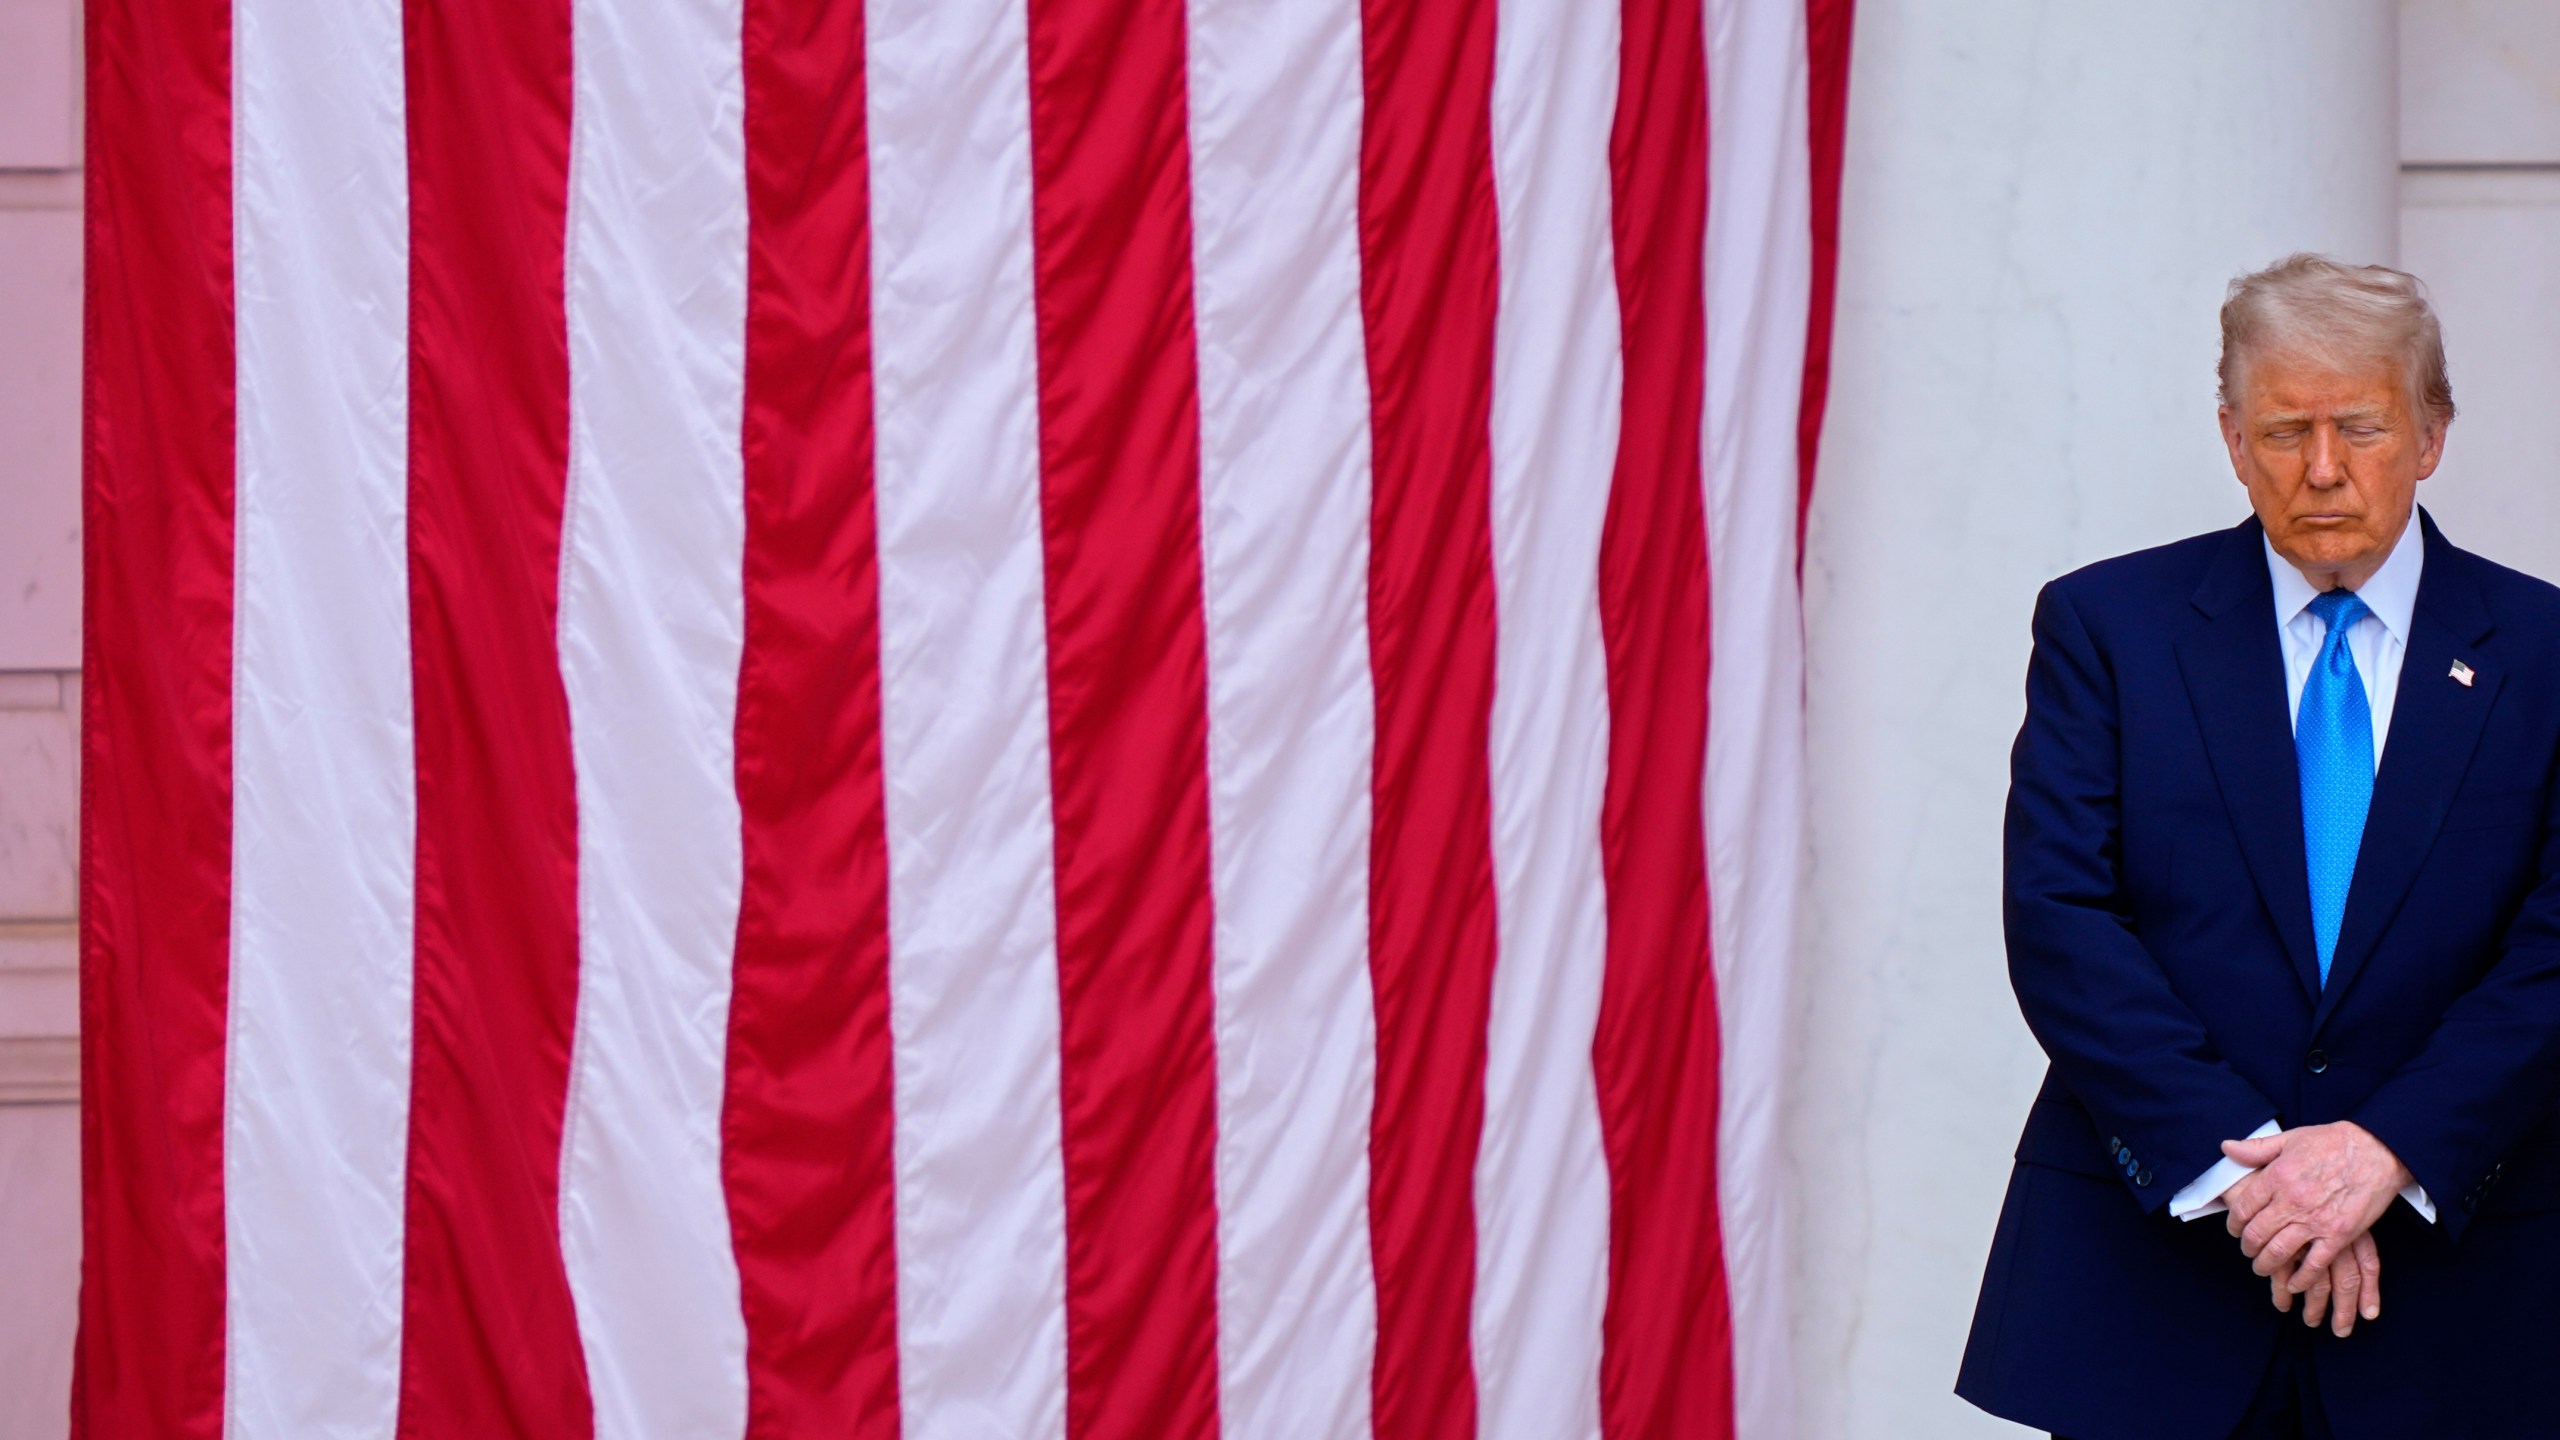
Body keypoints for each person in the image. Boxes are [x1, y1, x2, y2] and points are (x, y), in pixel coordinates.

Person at [1956, 254, 2560, 1440]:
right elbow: (2062, 921)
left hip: (2468, 1303)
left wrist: (2388, 1149)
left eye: (2361, 428)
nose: (2322, 469)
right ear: (2232, 440)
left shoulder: (2544, 652)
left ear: (2431, 434)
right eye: (2284, 430)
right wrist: (2254, 1184)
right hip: (2154, 1292)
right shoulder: (2107, 628)